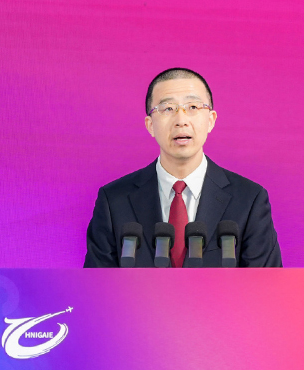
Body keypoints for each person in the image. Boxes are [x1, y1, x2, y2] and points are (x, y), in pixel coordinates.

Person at [84, 68, 282, 268]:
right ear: (150, 125)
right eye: (168, 109)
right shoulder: (114, 201)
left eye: (193, 107)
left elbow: (267, 284)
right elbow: (95, 284)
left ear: (211, 120)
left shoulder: (249, 200)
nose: (181, 120)